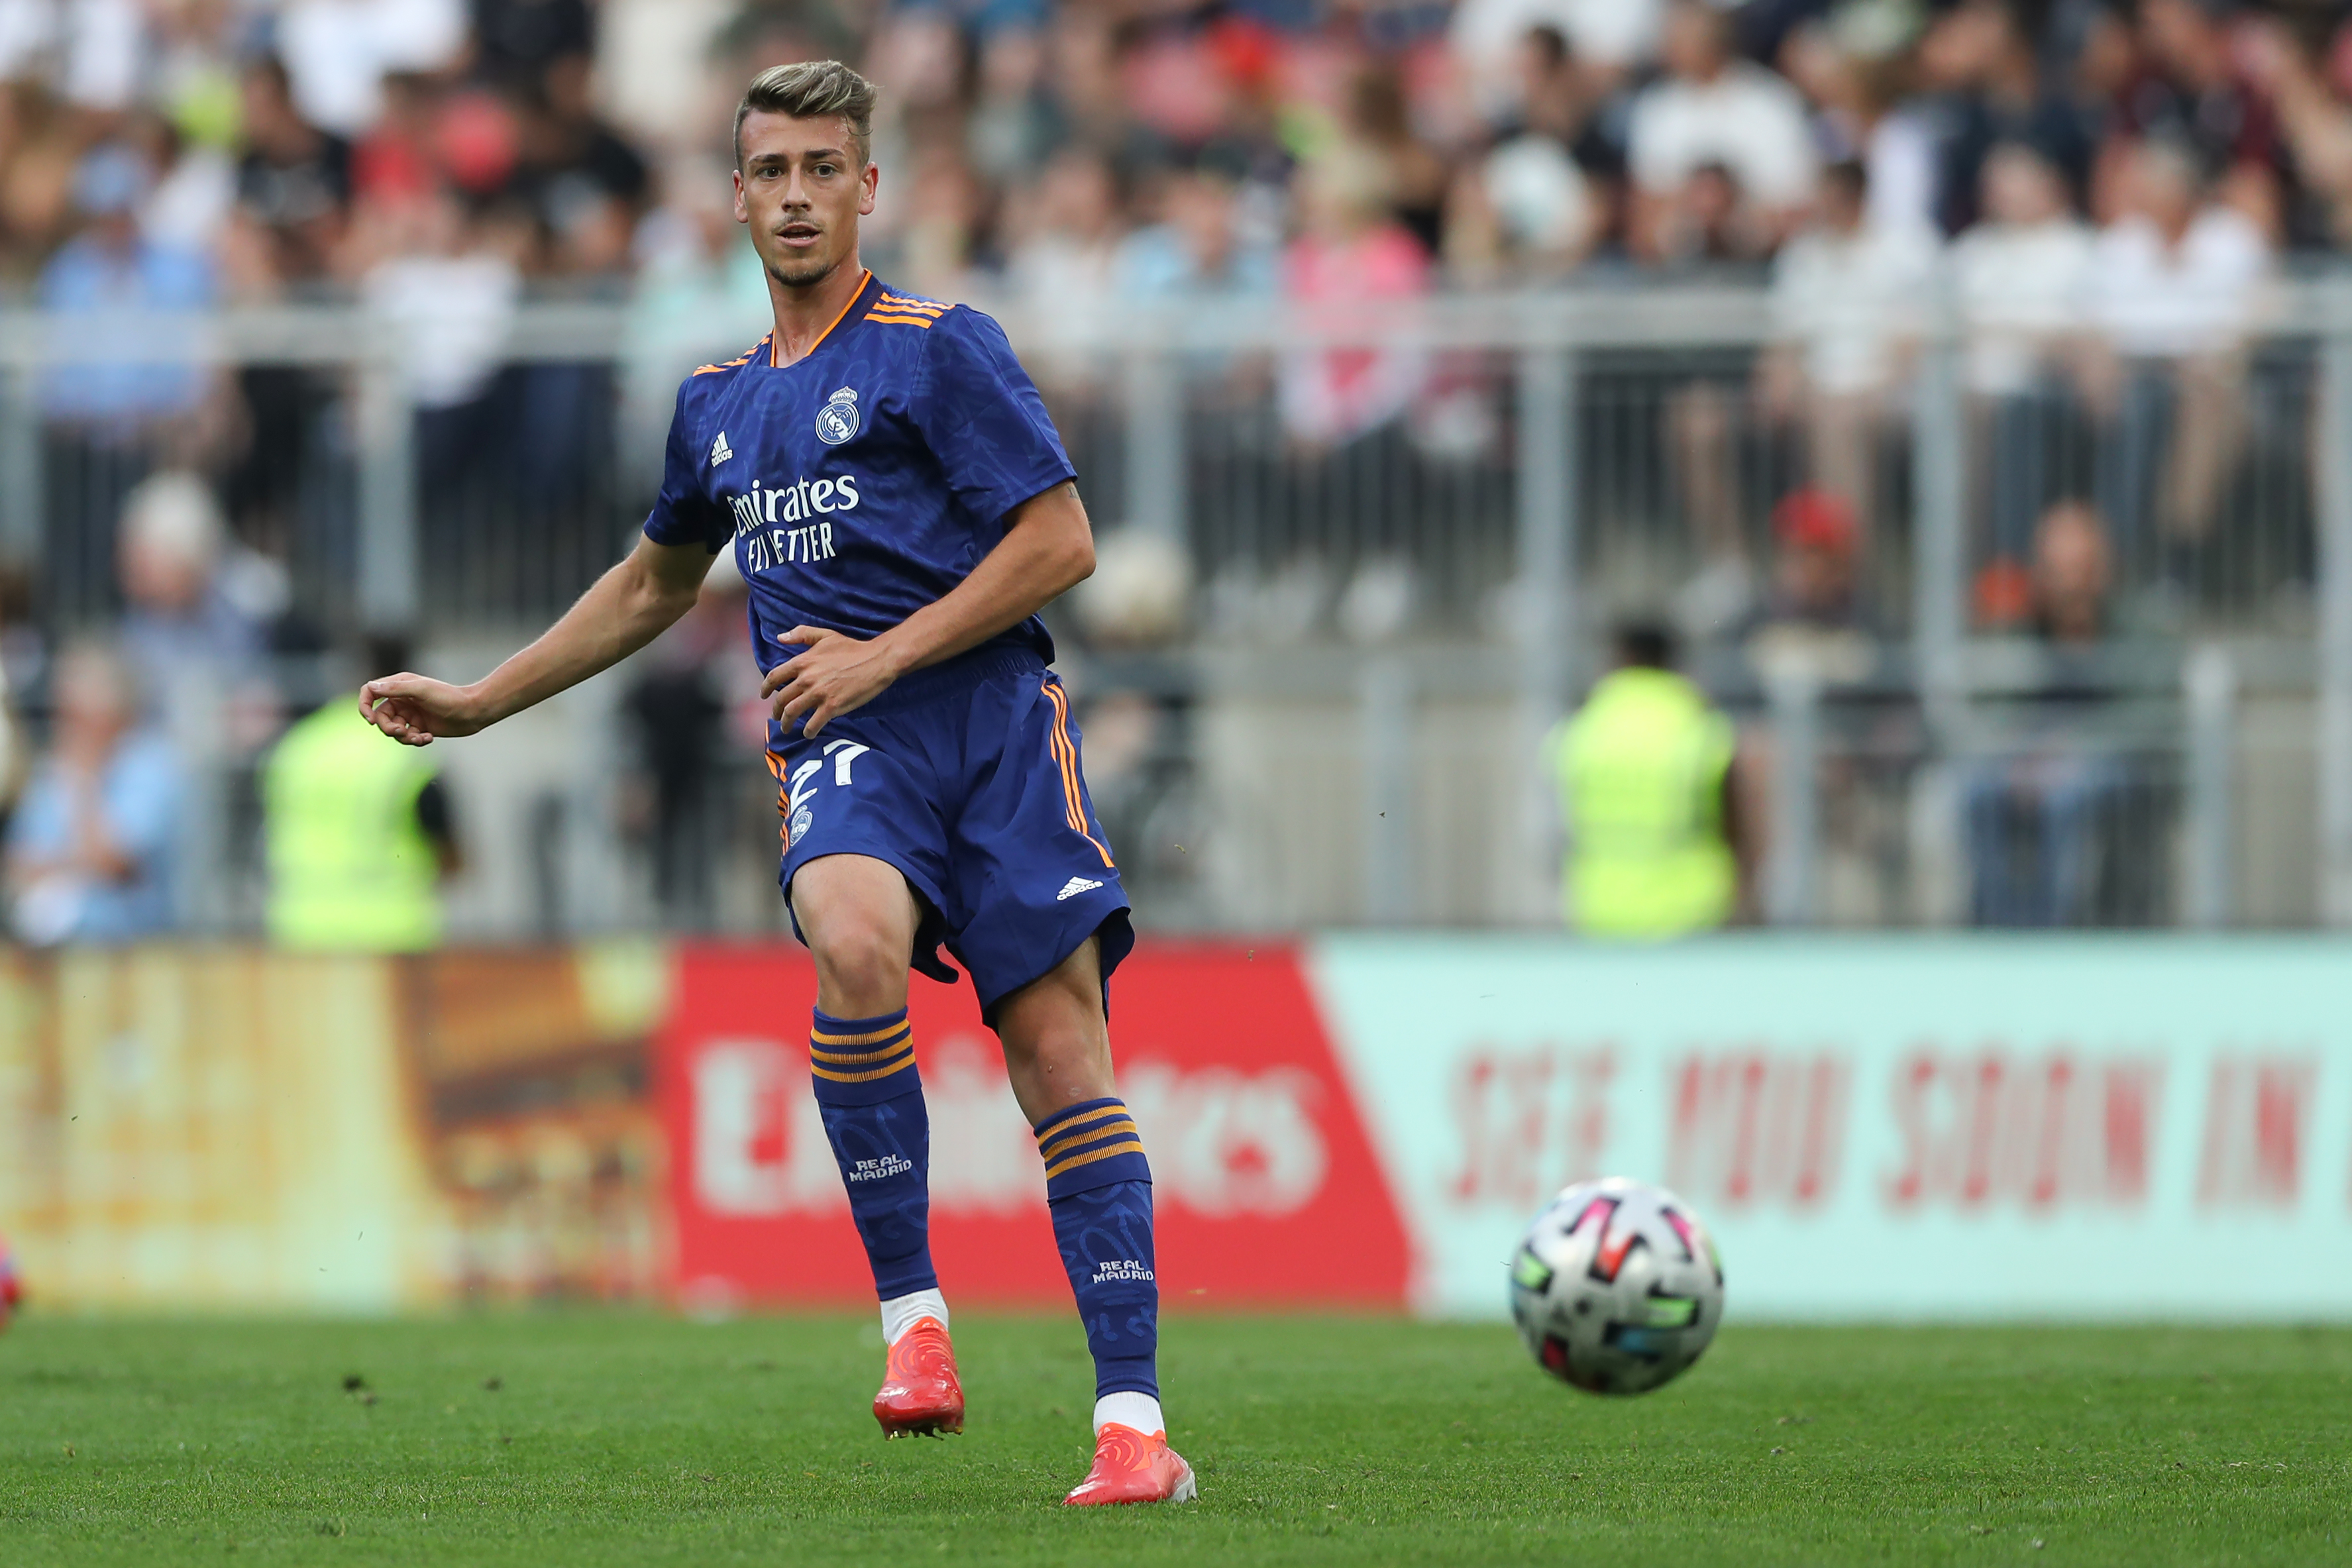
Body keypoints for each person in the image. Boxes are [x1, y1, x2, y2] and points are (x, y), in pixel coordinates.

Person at [354, 62, 1191, 1508]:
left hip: (991, 726)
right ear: (735, 194)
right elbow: (647, 586)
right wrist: (484, 697)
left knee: (1060, 1061)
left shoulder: (943, 346)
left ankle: (1132, 1427)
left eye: (822, 168)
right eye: (770, 171)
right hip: (844, 744)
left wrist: (882, 654)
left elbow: (1060, 543)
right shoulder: (715, 401)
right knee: (852, 935)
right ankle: (913, 1324)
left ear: (869, 188)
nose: (796, 195)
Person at [1544, 621, 1744, 938]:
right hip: (1691, 910)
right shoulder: (1699, 725)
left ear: (1618, 660)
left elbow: (1561, 823)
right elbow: (1734, 823)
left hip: (1598, 907)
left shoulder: (1581, 727)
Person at [263, 636, 461, 952]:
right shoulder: (410, 752)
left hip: (300, 931)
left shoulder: (299, 745)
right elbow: (450, 857)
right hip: (394, 936)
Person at [7, 641, 182, 945]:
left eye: (76, 708)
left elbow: (112, 860)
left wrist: (84, 782)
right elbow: (20, 862)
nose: (65, 718)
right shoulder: (50, 769)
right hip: (48, 949)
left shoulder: (153, 765)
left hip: (134, 949)